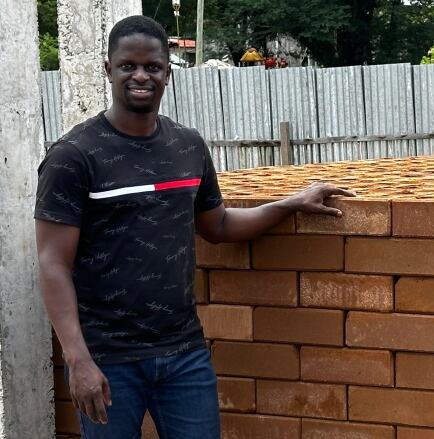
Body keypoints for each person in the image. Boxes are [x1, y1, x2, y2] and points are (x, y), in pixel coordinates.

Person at [34, 15, 352, 438]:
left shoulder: (187, 146)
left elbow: (217, 224)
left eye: (153, 66)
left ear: (168, 73)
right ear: (108, 69)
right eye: (128, 65)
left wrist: (289, 204)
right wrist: (78, 359)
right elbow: (53, 263)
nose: (141, 75)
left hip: (183, 353)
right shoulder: (74, 156)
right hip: (108, 357)